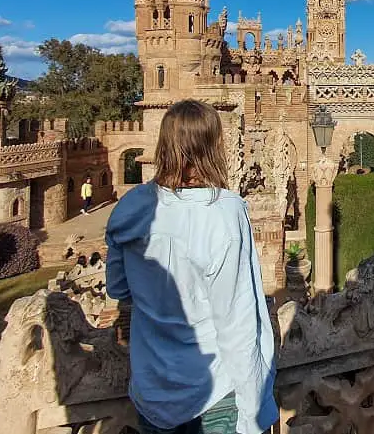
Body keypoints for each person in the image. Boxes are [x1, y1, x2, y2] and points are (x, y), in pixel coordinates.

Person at [105, 99, 279, 434]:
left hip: (152, 394)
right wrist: (254, 411)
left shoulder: (131, 207)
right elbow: (236, 322)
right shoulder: (225, 212)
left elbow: (118, 288)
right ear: (213, 148)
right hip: (213, 396)